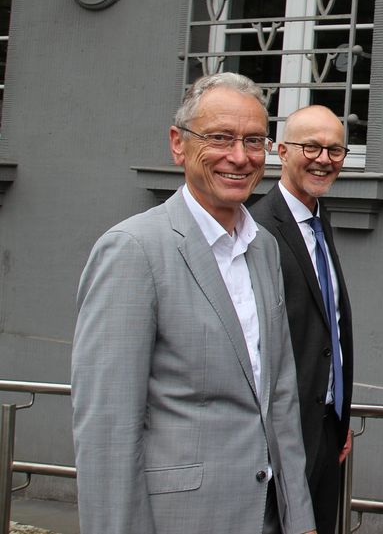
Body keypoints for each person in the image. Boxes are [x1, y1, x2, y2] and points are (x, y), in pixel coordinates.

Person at [72, 73, 316, 534]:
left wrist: (300, 517)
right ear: (178, 144)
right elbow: (108, 430)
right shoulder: (134, 249)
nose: (240, 157)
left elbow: (279, 397)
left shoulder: (263, 247)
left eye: (253, 140)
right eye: (220, 138)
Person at [251, 105, 355, 534]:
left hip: (326, 429)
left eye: (335, 150)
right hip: (281, 438)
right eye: (311, 146)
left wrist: (339, 415)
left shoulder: (318, 219)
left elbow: (327, 324)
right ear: (281, 151)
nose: (324, 159)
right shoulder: (257, 229)